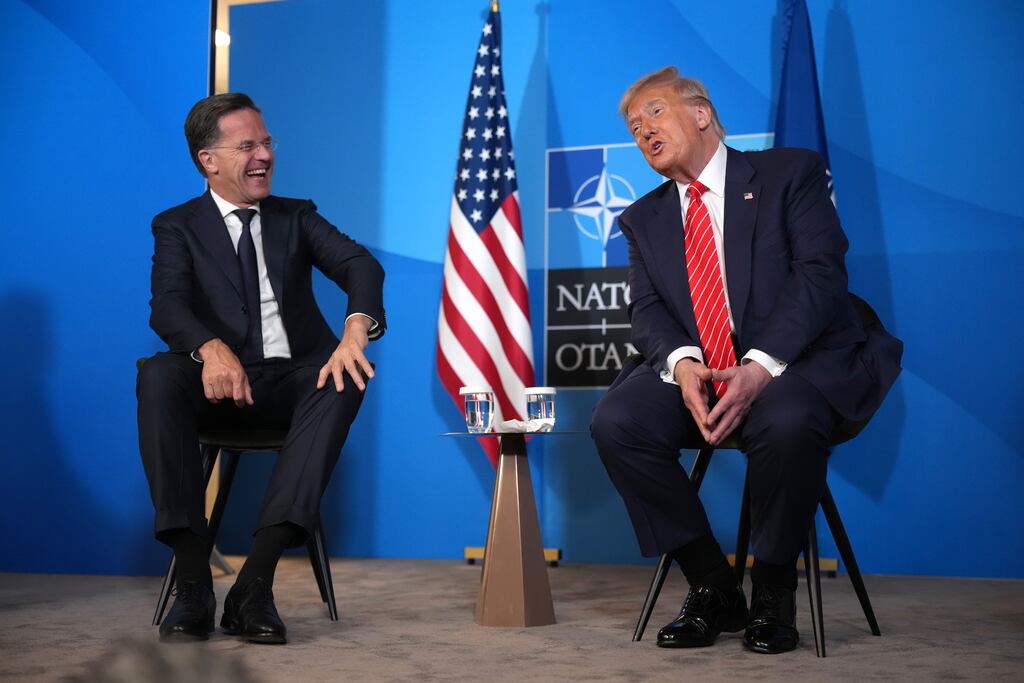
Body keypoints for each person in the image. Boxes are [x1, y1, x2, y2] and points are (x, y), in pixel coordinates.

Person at [591, 67, 901, 654]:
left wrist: (759, 367)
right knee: (617, 422)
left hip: (793, 363)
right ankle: (712, 585)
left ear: (702, 112)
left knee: (785, 421)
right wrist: (683, 367)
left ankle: (774, 590)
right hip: (704, 370)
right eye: (634, 127)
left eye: (654, 113)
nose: (643, 131)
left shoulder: (791, 174)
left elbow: (821, 274)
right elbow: (647, 308)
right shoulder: (642, 218)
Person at [137, 92, 385, 644]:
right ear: (209, 159)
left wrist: (355, 329)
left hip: (293, 380)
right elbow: (168, 305)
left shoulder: (295, 216)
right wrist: (209, 347)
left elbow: (359, 264)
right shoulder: (176, 226)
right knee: (157, 374)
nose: (264, 155)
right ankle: (194, 581)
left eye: (267, 142)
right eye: (247, 145)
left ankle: (256, 581)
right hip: (218, 385)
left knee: (343, 376)